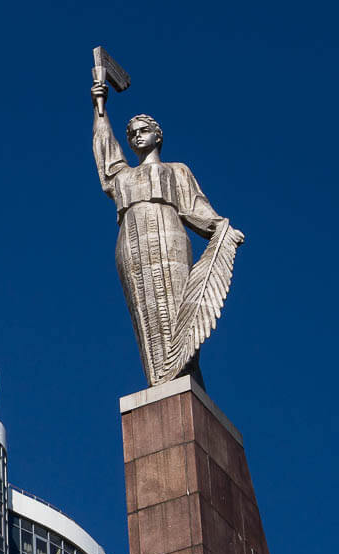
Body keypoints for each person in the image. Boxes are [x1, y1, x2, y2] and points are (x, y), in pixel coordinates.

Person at [92, 80, 244, 386]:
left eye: (142, 130)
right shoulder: (123, 177)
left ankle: (186, 376)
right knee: (146, 314)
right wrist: (100, 108)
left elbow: (197, 208)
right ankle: (159, 382)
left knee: (177, 310)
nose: (136, 136)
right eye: (132, 133)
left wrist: (221, 228)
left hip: (168, 234)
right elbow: (106, 153)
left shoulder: (176, 171)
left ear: (158, 135)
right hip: (131, 243)